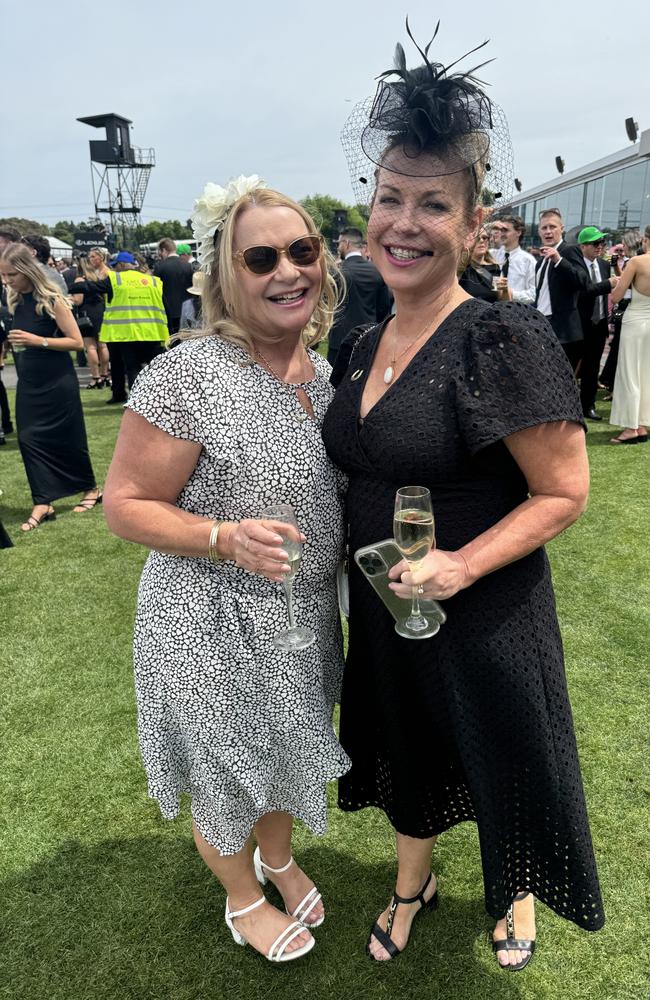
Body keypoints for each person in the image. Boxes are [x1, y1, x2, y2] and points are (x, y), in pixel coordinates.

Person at [324, 24, 604, 970]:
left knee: (500, 749)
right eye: (389, 197)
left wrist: (460, 565)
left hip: (483, 608)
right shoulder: (362, 342)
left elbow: (565, 490)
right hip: (388, 606)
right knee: (407, 742)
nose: (403, 222)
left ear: (474, 221)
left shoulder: (501, 337)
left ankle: (514, 890)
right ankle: (414, 881)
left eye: (432, 205)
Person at [103, 176, 350, 963]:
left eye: (302, 251)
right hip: (207, 617)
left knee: (283, 751)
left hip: (303, 618)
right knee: (227, 764)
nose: (288, 272)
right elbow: (124, 504)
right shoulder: (187, 374)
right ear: (226, 274)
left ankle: (276, 858)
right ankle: (243, 899)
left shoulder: (325, 372)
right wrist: (220, 535)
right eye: (262, 257)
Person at [0, 244, 101, 530]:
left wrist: (37, 341)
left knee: (69, 437)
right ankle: (43, 500)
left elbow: (76, 342)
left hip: (57, 380)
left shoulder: (52, 300)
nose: (7, 281)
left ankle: (90, 489)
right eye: (3, 276)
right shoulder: (14, 300)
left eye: (11, 275)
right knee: (28, 438)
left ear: (27, 271)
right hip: (29, 381)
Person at [74, 250, 167, 394]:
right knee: (155, 368)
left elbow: (91, 287)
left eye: (115, 265)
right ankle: (158, 397)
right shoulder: (153, 280)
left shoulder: (116, 280)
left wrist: (69, 287)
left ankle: (133, 399)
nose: (114, 268)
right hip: (153, 331)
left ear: (121, 265)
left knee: (131, 367)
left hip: (126, 332)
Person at [564, 227, 618, 420]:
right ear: (583, 246)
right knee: (570, 367)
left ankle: (588, 405)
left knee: (592, 368)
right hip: (579, 326)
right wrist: (609, 284)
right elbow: (585, 291)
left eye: (602, 243)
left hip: (599, 324)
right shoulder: (575, 266)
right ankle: (566, 406)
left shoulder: (604, 266)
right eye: (596, 243)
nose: (600, 247)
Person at [327, 226, 392, 367]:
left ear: (346, 243)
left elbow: (327, 306)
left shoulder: (336, 272)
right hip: (368, 340)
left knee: (333, 387)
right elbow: (384, 309)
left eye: (339, 244)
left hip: (339, 341)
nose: (338, 248)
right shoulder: (378, 271)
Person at [608, 224, 650, 443]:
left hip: (636, 321)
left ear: (645, 239)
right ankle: (642, 424)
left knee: (630, 374)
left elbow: (616, 297)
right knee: (646, 374)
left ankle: (631, 428)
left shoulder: (636, 261)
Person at [534, 209, 588, 370]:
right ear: (539, 231)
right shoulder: (540, 260)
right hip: (542, 326)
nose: (548, 231)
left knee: (561, 385)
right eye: (544, 228)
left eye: (552, 227)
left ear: (562, 229)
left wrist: (559, 260)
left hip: (563, 332)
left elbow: (583, 281)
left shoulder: (568, 250)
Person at [71, 255, 110, 389]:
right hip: (101, 312)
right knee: (103, 345)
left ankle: (95, 377)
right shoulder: (99, 278)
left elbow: (78, 300)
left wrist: (68, 298)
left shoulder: (79, 280)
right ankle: (106, 374)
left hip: (87, 314)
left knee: (91, 347)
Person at [490, 215, 537, 304]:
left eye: (505, 230)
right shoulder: (492, 255)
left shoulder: (528, 261)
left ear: (518, 232)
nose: (502, 234)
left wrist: (509, 294)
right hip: (492, 309)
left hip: (516, 313)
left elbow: (533, 295)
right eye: (500, 230)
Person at [154, 237, 194, 335]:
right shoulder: (188, 266)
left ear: (164, 250)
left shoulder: (160, 267)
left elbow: (156, 290)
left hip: (168, 313)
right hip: (187, 311)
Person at [459, 225, 501, 301]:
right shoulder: (461, 267)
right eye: (477, 238)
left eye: (485, 238)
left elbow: (499, 296)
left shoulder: (495, 268)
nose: (482, 241)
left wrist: (505, 289)